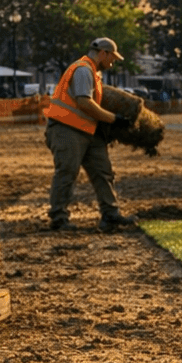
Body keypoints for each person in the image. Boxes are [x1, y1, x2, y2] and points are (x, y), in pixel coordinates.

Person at [42, 37, 136, 232]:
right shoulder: (83, 69)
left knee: (103, 171)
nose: (112, 63)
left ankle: (110, 214)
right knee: (67, 172)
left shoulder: (93, 73)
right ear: (104, 53)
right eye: (112, 59)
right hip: (66, 129)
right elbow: (84, 102)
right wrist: (114, 119)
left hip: (86, 131)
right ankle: (59, 218)